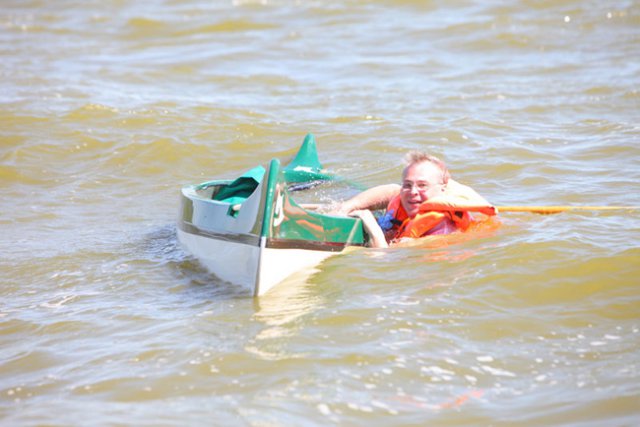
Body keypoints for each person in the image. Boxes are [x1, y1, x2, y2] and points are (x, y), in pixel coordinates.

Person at [332, 151, 497, 248]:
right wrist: (347, 207)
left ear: (442, 189)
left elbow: (384, 262)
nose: (412, 192)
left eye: (422, 185)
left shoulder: (441, 231)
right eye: (407, 185)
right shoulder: (404, 194)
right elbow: (391, 191)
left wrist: (371, 225)